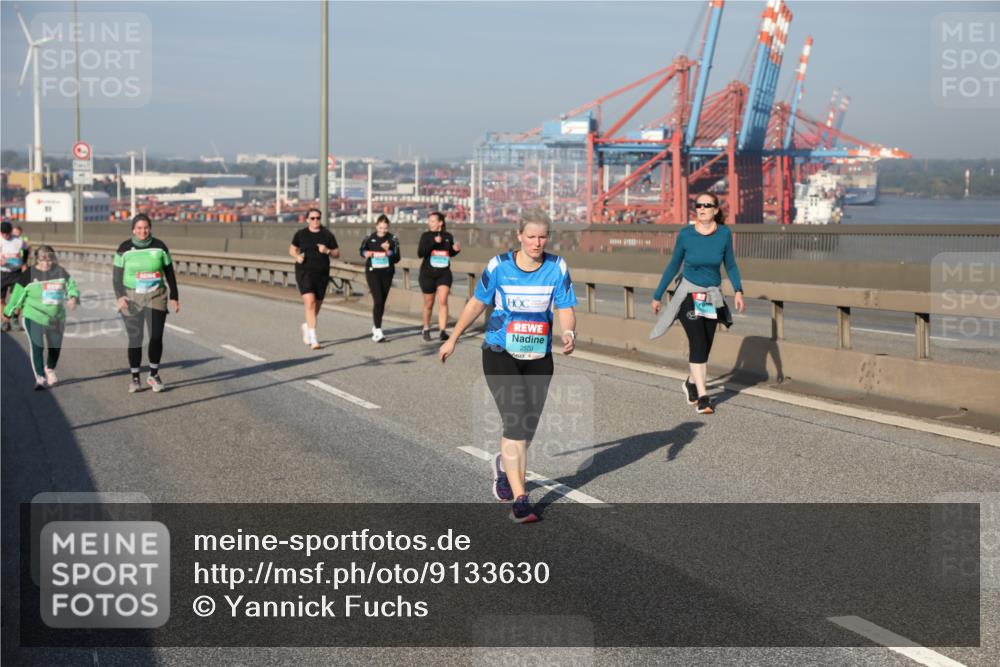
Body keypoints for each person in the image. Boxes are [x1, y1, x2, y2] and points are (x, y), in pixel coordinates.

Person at [439, 210, 577, 524]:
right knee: (515, 423)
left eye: (542, 237)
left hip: (539, 356)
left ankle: (503, 464)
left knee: (526, 428)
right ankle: (521, 499)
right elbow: (477, 303)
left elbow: (566, 306)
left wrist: (568, 332)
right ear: (519, 236)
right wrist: (453, 337)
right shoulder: (499, 266)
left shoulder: (557, 267)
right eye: (531, 236)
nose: (537, 243)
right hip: (500, 352)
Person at [649, 192, 745, 415]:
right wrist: (657, 295)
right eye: (698, 205)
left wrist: (738, 290)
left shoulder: (723, 234)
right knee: (698, 341)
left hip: (710, 295)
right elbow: (673, 265)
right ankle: (703, 397)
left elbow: (730, 264)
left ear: (716, 210)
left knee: (707, 343)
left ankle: (691, 382)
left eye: (706, 205)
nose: (701, 208)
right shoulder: (686, 235)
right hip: (688, 294)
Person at [113, 214, 180, 393]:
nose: (143, 231)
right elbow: (116, 277)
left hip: (156, 295)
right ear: (133, 229)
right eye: (139, 228)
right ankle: (135, 378)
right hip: (131, 297)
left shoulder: (160, 247)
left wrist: (174, 296)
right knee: (136, 338)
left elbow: (169, 272)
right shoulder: (124, 249)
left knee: (156, 336)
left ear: (150, 228)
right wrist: (119, 296)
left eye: (146, 228)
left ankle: (154, 374)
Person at [3, 246, 79, 389]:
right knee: (38, 347)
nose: (47, 263)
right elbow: (17, 296)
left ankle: (49, 369)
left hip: (56, 317)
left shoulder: (60, 271)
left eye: (50, 260)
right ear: (37, 259)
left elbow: (71, 285)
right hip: (34, 315)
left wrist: (73, 297)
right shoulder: (29, 274)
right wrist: (8, 313)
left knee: (55, 348)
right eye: (43, 260)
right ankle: (40, 378)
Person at [290, 208, 340, 350]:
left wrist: (327, 251)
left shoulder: (327, 235)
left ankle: (307, 326)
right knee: (310, 302)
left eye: (318, 218)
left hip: (322, 273)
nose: (315, 220)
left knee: (315, 307)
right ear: (307, 220)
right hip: (304, 272)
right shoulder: (301, 234)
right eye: (312, 218)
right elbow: (292, 249)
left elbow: (337, 253)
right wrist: (297, 256)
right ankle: (314, 339)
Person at [417, 211, 461, 341]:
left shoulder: (448, 236)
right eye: (429, 221)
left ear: (440, 223)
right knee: (428, 304)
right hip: (427, 274)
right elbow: (420, 253)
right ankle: (426, 328)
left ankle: (442, 330)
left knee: (443, 300)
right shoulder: (426, 236)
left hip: (444, 273)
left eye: (432, 221)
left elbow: (449, 253)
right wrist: (434, 243)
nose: (430, 223)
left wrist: (455, 250)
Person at [359, 214, 401, 342]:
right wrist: (366, 253)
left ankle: (376, 326)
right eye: (380, 227)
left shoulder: (393, 239)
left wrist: (388, 251)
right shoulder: (369, 238)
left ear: (388, 227)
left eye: (385, 228)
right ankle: (378, 331)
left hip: (387, 272)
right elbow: (361, 251)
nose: (382, 230)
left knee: (381, 301)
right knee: (377, 299)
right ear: (376, 226)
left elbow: (397, 258)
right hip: (373, 272)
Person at [1, 221, 30, 332]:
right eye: (3, 234)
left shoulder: (18, 241)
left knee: (18, 298)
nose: (5, 236)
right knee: (1, 299)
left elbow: (26, 250)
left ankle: (14, 319)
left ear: (10, 232)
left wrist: (24, 263)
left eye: (7, 233)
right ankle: (5, 321)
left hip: (16, 273)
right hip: (2, 273)